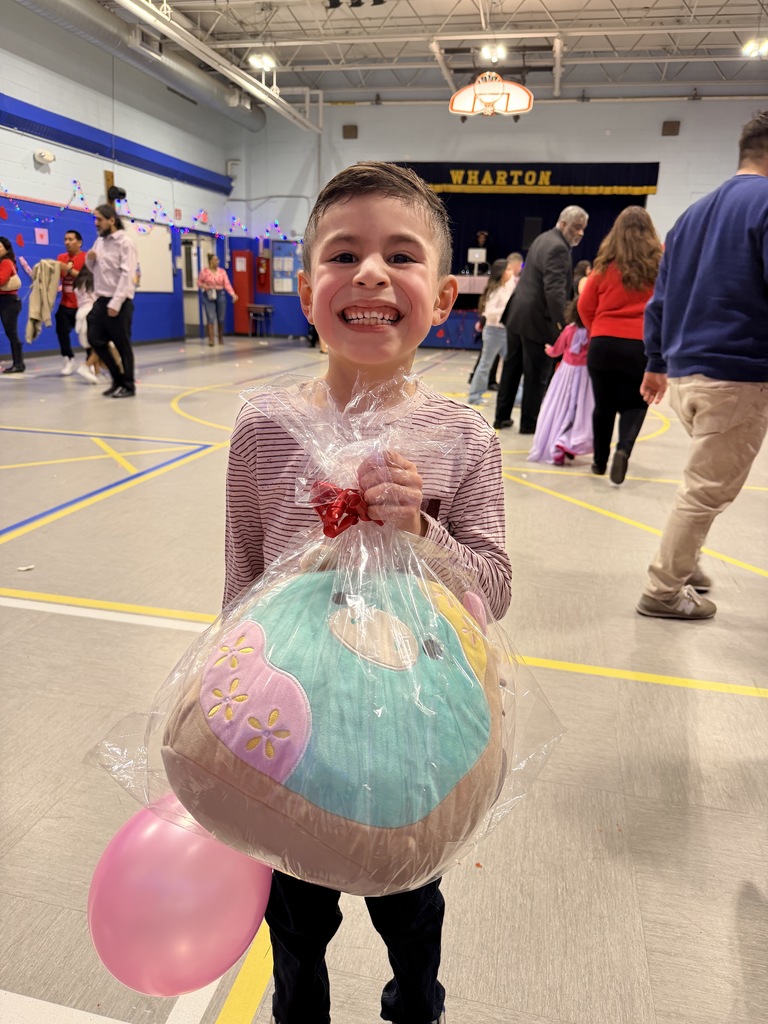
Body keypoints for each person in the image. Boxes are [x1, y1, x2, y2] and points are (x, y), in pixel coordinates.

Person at [224, 161, 512, 1024]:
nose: (372, 273)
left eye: (403, 255)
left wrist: (425, 532)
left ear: (446, 292)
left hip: (413, 735)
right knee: (295, 926)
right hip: (291, 737)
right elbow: (241, 580)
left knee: (412, 915)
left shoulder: (463, 436)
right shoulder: (266, 427)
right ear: (308, 288)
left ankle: (415, 1005)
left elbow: (493, 589)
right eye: (343, 255)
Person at [636, 109, 768, 621]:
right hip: (737, 372)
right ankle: (664, 589)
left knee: (703, 484)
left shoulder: (692, 215)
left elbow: (660, 299)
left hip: (687, 373)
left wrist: (655, 360)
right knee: (706, 490)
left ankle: (686, 563)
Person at [578, 206, 662, 484]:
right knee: (636, 404)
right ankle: (623, 449)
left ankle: (599, 463)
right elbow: (668, 308)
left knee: (603, 406)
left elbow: (584, 306)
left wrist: (600, 330)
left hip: (603, 345)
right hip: (642, 345)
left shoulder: (603, 266)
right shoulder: (660, 268)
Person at [494, 206, 589, 434]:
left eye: (583, 229)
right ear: (564, 224)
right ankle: (530, 423)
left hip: (517, 315)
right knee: (536, 376)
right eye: (577, 227)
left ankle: (501, 417)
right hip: (536, 320)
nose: (580, 233)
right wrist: (565, 324)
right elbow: (555, 292)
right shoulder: (558, 247)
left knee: (512, 368)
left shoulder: (543, 238)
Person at [528, 299, 594, 465]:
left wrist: (548, 349)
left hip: (566, 374)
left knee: (559, 408)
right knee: (578, 410)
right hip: (585, 376)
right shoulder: (592, 332)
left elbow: (556, 350)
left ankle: (558, 443)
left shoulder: (569, 330)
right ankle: (568, 440)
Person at [86, 204, 138, 398]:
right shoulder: (99, 241)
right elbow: (95, 270)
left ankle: (128, 385)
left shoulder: (125, 242)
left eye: (99, 219)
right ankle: (117, 379)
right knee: (95, 339)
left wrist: (116, 303)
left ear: (111, 220)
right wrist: (90, 260)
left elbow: (127, 275)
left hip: (119, 302)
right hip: (101, 299)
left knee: (122, 344)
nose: (96, 223)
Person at [466, 257, 519, 406]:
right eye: (508, 269)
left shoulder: (506, 287)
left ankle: (516, 396)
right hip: (494, 331)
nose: (511, 273)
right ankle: (475, 395)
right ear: (501, 272)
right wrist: (507, 310)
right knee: (485, 364)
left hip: (504, 331)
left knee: (512, 364)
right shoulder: (495, 290)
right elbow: (489, 312)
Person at [55, 229, 86, 376]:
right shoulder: (61, 257)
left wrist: (69, 271)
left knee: (87, 335)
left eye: (71, 239)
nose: (67, 242)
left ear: (79, 242)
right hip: (65, 304)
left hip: (83, 305)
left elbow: (86, 278)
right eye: (65, 239)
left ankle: (91, 363)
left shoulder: (86, 258)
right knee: (61, 332)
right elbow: (56, 277)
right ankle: (68, 359)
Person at [197, 253, 238, 346]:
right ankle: (211, 339)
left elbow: (227, 284)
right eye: (215, 260)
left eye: (218, 260)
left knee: (221, 317)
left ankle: (220, 337)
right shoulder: (204, 272)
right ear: (210, 261)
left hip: (220, 294)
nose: (217, 262)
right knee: (210, 317)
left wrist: (233, 294)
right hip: (208, 294)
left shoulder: (222, 272)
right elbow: (199, 282)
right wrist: (204, 286)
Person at [0, 236, 24, 374]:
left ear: (6, 249)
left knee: (11, 333)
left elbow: (1, 280)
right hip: (4, 300)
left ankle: (19, 364)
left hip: (8, 301)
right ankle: (18, 363)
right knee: (11, 333)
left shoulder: (6, 262)